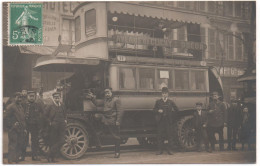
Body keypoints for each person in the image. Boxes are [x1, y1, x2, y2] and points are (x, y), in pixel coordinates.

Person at [95, 88, 123, 158]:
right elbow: (97, 103)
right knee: (96, 116)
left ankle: (117, 152)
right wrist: (92, 97)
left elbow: (120, 111)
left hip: (112, 120)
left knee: (116, 137)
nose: (107, 94)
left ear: (111, 93)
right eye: (105, 93)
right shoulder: (105, 100)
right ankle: (99, 137)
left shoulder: (116, 100)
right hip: (105, 119)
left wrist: (118, 121)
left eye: (108, 93)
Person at [153, 87, 179, 155]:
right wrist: (158, 110)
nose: (164, 95)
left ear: (168, 94)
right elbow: (154, 110)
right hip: (161, 121)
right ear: (161, 94)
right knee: (160, 136)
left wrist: (172, 117)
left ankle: (170, 150)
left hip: (168, 121)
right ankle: (160, 150)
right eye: (163, 93)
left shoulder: (171, 102)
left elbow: (177, 110)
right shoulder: (158, 102)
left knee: (169, 136)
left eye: (166, 93)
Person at [4, 92, 27, 164]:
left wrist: (24, 128)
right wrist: (12, 124)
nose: (19, 99)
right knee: (13, 144)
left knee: (19, 144)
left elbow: (23, 118)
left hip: (21, 129)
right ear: (14, 98)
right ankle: (10, 159)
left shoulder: (20, 107)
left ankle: (16, 159)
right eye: (18, 97)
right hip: (13, 129)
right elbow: (5, 118)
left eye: (20, 97)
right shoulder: (10, 106)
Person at [44, 92, 67, 162]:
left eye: (58, 97)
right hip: (54, 126)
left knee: (62, 140)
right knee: (53, 141)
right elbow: (44, 116)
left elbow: (65, 113)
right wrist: (50, 122)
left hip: (62, 125)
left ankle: (49, 153)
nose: (57, 99)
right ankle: (52, 158)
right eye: (55, 98)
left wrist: (65, 120)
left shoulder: (62, 105)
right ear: (53, 98)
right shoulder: (50, 105)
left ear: (60, 98)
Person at [24, 91, 43, 160]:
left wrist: (40, 121)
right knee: (23, 140)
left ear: (35, 97)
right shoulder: (24, 104)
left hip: (35, 125)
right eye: (30, 96)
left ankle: (34, 156)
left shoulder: (38, 105)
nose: (32, 98)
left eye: (33, 96)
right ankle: (21, 156)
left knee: (35, 141)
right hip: (26, 125)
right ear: (27, 97)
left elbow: (43, 113)